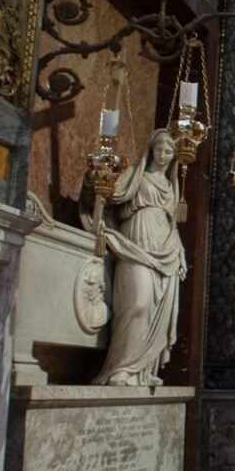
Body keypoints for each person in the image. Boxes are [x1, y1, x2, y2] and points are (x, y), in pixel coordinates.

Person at [93, 128, 187, 386]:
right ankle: (120, 368)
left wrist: (180, 252)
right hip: (135, 242)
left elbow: (172, 224)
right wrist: (99, 181)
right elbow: (113, 194)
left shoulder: (170, 186)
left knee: (156, 309)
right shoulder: (136, 176)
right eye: (159, 149)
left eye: (169, 151)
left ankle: (142, 370)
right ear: (151, 150)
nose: (164, 155)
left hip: (165, 248)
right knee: (137, 303)